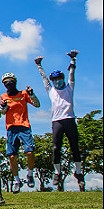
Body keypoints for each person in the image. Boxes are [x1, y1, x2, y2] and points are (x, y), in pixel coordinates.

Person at [34, 50, 85, 191]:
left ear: (63, 79)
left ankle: (79, 173)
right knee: (56, 148)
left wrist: (72, 60)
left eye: (59, 79)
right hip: (57, 121)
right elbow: (44, 78)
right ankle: (57, 172)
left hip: (69, 119)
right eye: (55, 80)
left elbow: (72, 74)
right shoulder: (51, 90)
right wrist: (39, 65)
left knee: (75, 146)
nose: (57, 82)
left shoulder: (69, 88)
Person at [0, 72, 41, 193]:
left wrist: (32, 94)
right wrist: (4, 106)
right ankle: (17, 180)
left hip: (24, 126)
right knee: (12, 156)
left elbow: (37, 105)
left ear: (15, 82)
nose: (9, 84)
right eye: (6, 83)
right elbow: (3, 112)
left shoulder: (23, 94)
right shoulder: (3, 96)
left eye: (11, 81)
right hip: (11, 128)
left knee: (29, 152)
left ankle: (30, 174)